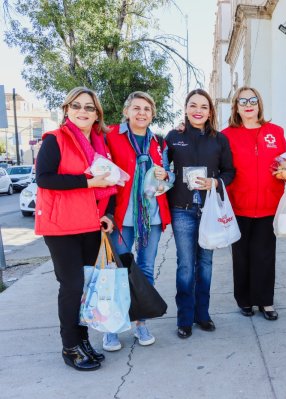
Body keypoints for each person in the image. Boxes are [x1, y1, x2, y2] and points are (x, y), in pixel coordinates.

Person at [35, 87, 117, 371]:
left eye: (89, 107)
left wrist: (108, 214)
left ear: (97, 115)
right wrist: (86, 183)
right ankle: (69, 346)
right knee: (72, 286)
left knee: (87, 288)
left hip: (91, 224)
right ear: (67, 109)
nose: (82, 111)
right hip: (61, 226)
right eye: (76, 106)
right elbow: (44, 179)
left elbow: (111, 182)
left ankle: (82, 341)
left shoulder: (99, 143)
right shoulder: (54, 139)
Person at [103, 91, 172, 350]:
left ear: (152, 114)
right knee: (117, 272)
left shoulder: (158, 142)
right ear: (126, 111)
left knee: (145, 271)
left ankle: (141, 323)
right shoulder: (111, 136)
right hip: (121, 218)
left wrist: (166, 176)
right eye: (136, 108)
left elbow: (167, 179)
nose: (142, 113)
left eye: (147, 109)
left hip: (151, 218)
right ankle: (113, 327)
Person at [165, 89, 235, 338]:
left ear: (210, 111)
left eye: (203, 106)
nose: (198, 110)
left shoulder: (219, 139)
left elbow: (230, 172)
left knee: (205, 263)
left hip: (209, 211)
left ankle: (202, 315)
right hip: (181, 210)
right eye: (193, 105)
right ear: (185, 109)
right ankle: (184, 319)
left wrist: (215, 182)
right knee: (185, 265)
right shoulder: (173, 137)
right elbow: (162, 169)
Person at [222, 86, 286, 321]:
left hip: (269, 205)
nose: (248, 105)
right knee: (241, 256)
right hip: (238, 205)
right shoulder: (226, 135)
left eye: (252, 100)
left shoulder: (275, 132)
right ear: (236, 107)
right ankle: (245, 300)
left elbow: (283, 164)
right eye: (242, 101)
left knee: (265, 255)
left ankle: (265, 302)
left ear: (259, 104)